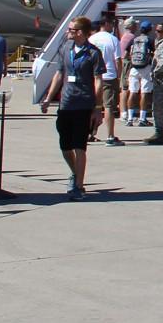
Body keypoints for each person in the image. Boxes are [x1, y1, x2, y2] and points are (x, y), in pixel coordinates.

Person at [43, 17, 102, 200]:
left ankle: (79, 186)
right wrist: (48, 98)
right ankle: (75, 172)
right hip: (66, 103)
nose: (67, 31)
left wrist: (97, 107)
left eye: (70, 29)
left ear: (80, 33)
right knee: (65, 146)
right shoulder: (65, 49)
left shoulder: (93, 53)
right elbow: (60, 74)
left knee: (80, 146)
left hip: (83, 104)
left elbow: (98, 80)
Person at [88, 17, 122, 145]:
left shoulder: (92, 39)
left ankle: (90, 133)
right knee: (109, 106)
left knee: (92, 106)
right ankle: (110, 135)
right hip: (109, 75)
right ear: (106, 24)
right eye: (112, 24)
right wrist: (118, 76)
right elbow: (118, 60)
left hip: (93, 76)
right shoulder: (113, 39)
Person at [124, 21, 157, 126]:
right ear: (150, 30)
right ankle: (142, 119)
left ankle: (130, 119)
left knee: (133, 92)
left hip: (134, 68)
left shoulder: (134, 40)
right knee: (144, 93)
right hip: (146, 67)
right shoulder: (150, 40)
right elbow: (155, 54)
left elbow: (126, 54)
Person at [117, 19, 138, 124]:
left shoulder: (124, 36)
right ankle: (124, 112)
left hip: (123, 62)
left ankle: (123, 111)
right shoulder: (131, 37)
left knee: (124, 88)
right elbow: (125, 53)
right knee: (125, 88)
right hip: (127, 63)